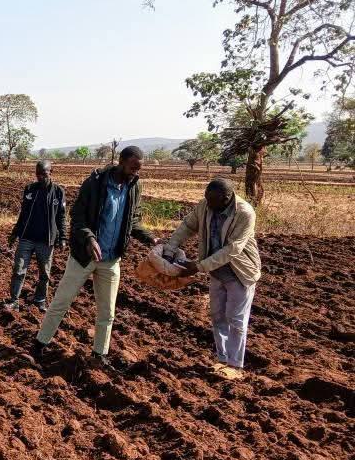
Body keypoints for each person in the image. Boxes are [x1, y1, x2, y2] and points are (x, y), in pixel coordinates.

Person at [32, 146, 157, 368]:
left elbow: (133, 220)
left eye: (138, 169)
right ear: (121, 162)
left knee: (107, 312)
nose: (135, 173)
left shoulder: (134, 186)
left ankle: (100, 354)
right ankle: (40, 344)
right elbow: (77, 217)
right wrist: (89, 239)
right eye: (132, 168)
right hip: (84, 257)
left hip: (111, 259)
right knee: (62, 301)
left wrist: (151, 239)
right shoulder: (95, 183)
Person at [164, 178, 261, 380]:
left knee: (236, 319)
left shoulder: (244, 213)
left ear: (227, 198)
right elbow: (188, 226)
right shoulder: (205, 205)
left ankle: (235, 365)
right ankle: (222, 360)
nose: (208, 205)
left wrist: (199, 267)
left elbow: (233, 249)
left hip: (239, 272)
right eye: (206, 199)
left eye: (212, 201)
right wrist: (170, 248)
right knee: (218, 317)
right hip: (216, 272)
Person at [6, 160, 67, 312]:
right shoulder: (30, 190)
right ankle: (14, 301)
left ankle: (40, 300)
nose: (40, 177)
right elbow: (23, 214)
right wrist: (14, 233)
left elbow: (61, 217)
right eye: (38, 174)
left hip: (46, 240)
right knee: (19, 270)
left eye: (44, 174)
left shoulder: (58, 192)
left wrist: (63, 238)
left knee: (44, 274)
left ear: (51, 173)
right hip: (27, 237)